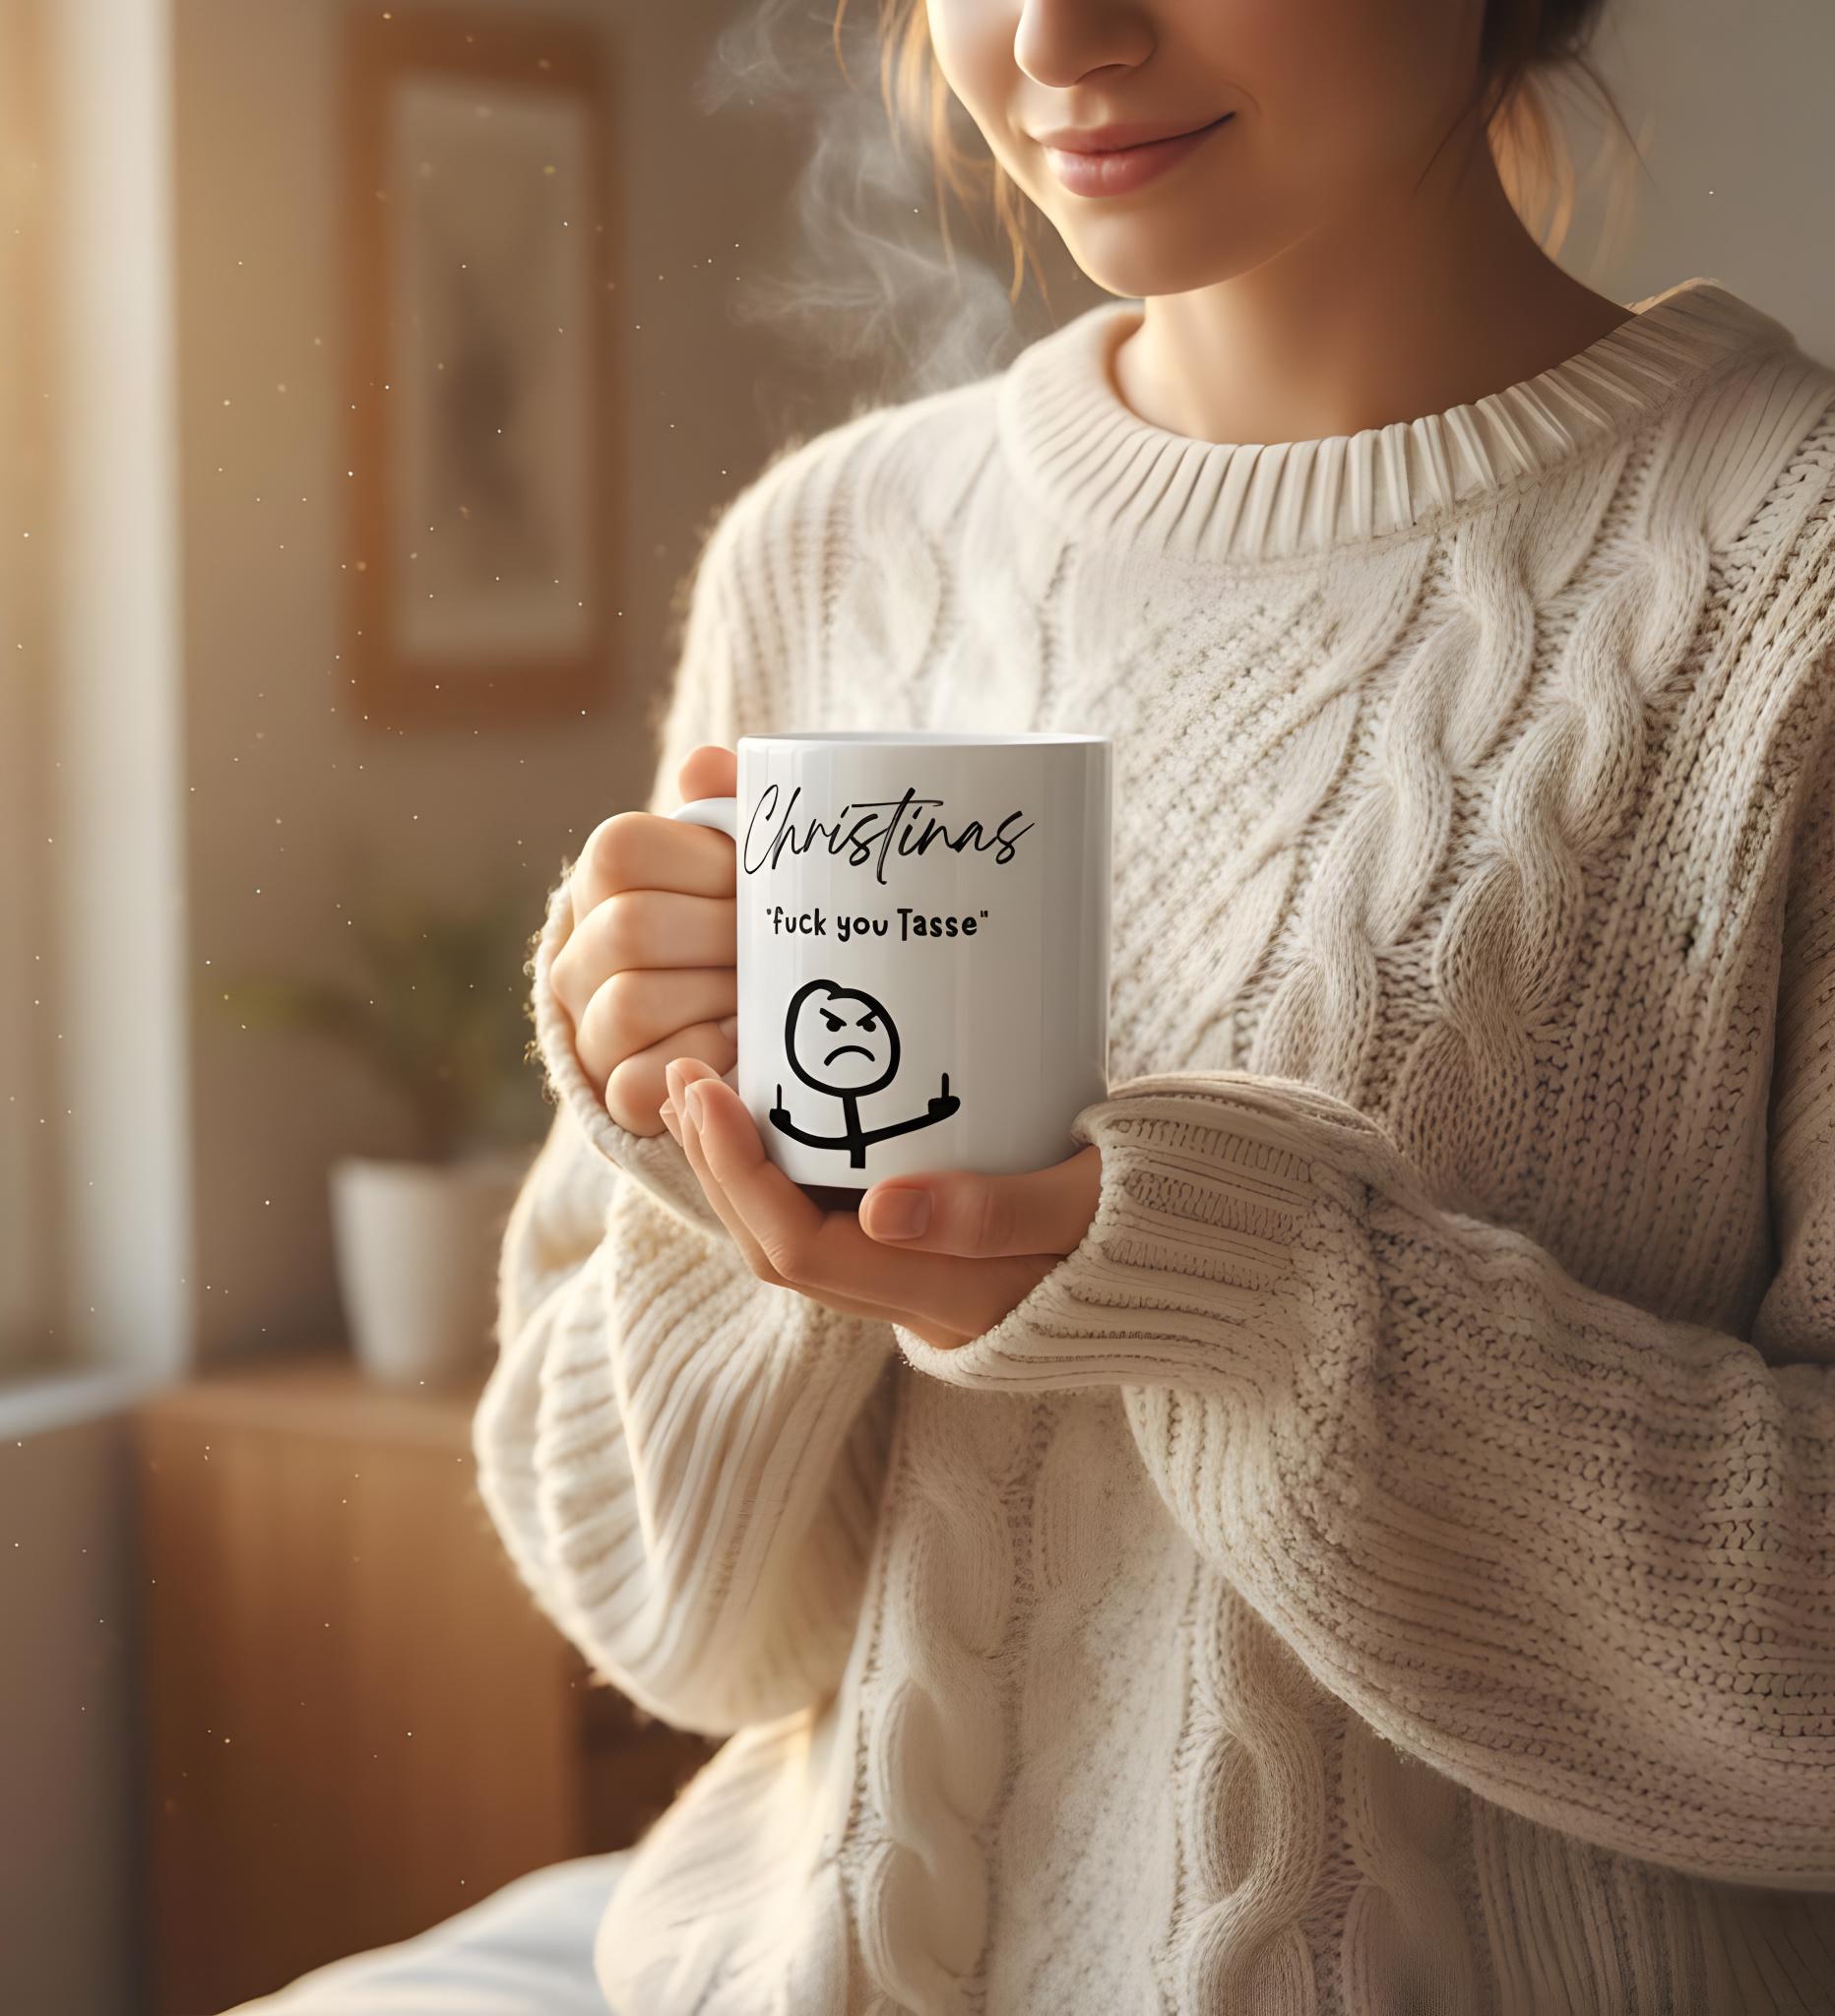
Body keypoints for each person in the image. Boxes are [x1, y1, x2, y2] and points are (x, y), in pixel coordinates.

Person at [238, 0, 1835, 2010]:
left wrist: (1250, 1293)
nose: (1056, 36)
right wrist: (700, 1162)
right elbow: (664, 1621)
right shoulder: (833, 546)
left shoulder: (1790, 580)